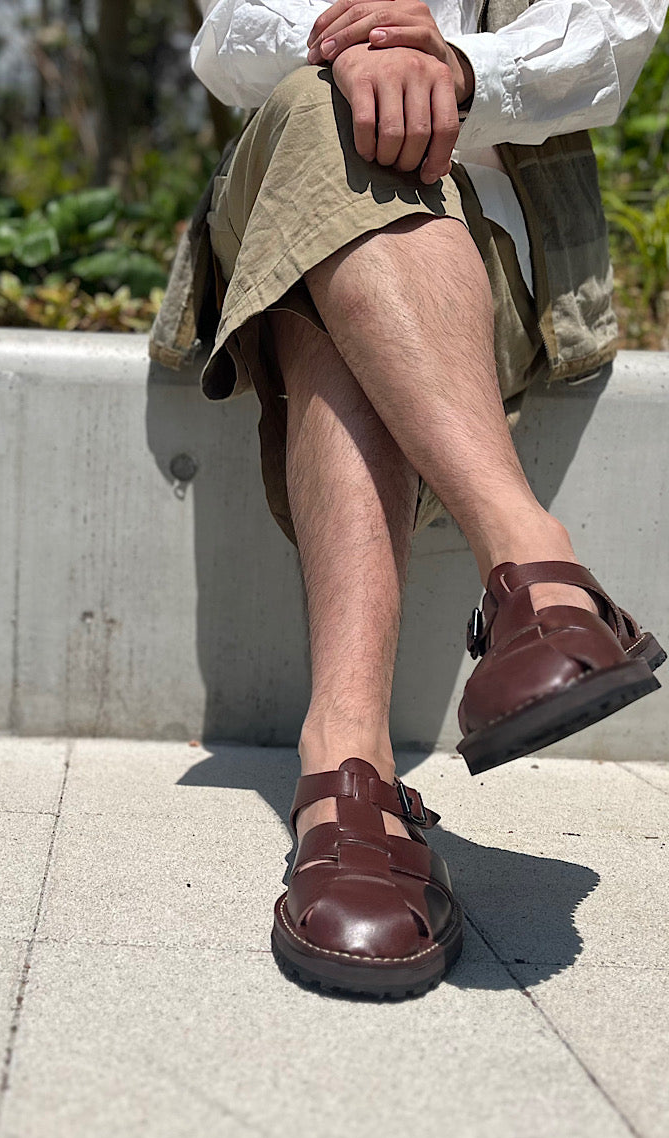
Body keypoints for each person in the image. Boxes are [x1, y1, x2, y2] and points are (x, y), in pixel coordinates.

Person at [150, 0, 668, 997]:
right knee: (325, 117)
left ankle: (342, 766)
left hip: (488, 270)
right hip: (285, 188)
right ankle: (536, 568)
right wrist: (360, 54)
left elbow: (617, 36)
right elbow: (226, 37)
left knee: (333, 198)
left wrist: (458, 69)